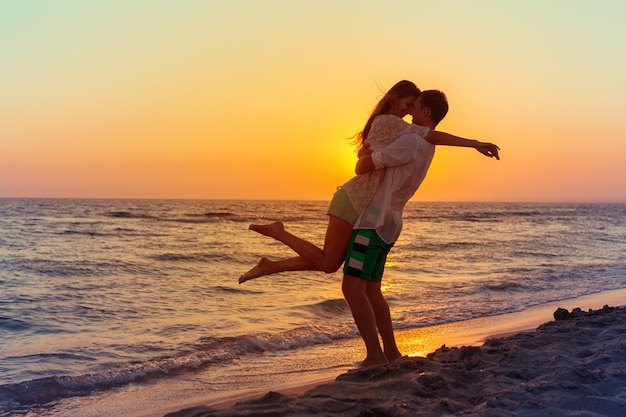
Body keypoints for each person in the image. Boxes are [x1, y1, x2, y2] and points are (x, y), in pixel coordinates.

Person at [239, 84, 499, 284]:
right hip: (354, 198)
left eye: (412, 107)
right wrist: (474, 143)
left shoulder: (395, 126)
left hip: (362, 202)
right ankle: (278, 235)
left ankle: (270, 264)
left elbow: (422, 139)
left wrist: (475, 144)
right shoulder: (390, 123)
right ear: (395, 98)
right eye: (408, 104)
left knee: (329, 263)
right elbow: (432, 135)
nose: (409, 113)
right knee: (330, 263)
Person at [342, 89, 462, 367]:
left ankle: (374, 355)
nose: (409, 113)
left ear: (425, 113)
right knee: (372, 290)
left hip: (372, 224)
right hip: (391, 225)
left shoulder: (410, 141)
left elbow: (364, 167)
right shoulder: (427, 147)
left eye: (414, 108)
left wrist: (363, 154)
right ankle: (392, 353)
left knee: (352, 289)